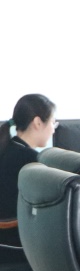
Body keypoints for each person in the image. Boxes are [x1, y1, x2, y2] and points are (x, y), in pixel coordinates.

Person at [1, 94, 57, 259]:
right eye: (53, 122)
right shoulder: (31, 161)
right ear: (38, 122)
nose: (54, 129)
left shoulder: (7, 149)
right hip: (16, 241)